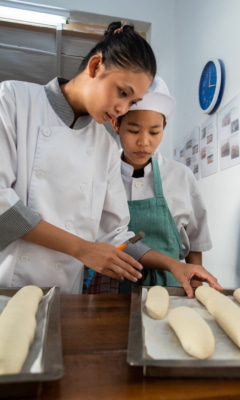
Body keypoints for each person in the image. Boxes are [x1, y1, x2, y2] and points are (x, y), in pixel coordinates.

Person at [0, 21, 156, 294]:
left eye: (132, 102)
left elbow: (115, 232)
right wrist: (83, 249)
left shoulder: (105, 146)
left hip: (66, 297)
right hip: (7, 288)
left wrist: (175, 265)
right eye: (122, 92)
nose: (122, 109)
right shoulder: (13, 99)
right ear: (95, 67)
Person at [87, 75, 222, 295]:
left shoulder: (181, 177)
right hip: (112, 288)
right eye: (133, 131)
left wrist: (195, 293)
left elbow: (195, 243)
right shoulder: (100, 175)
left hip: (169, 287)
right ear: (116, 124)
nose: (144, 142)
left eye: (154, 132)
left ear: (164, 127)